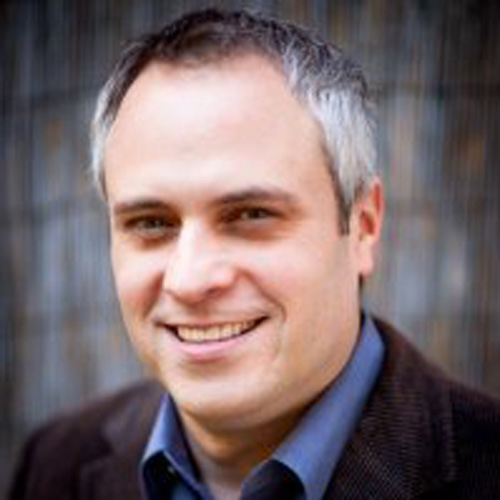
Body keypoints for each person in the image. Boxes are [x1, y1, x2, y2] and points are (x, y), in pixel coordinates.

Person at [9, 8, 500, 500]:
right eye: (152, 222)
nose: (189, 280)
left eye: (250, 215)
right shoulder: (55, 464)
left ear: (363, 226)